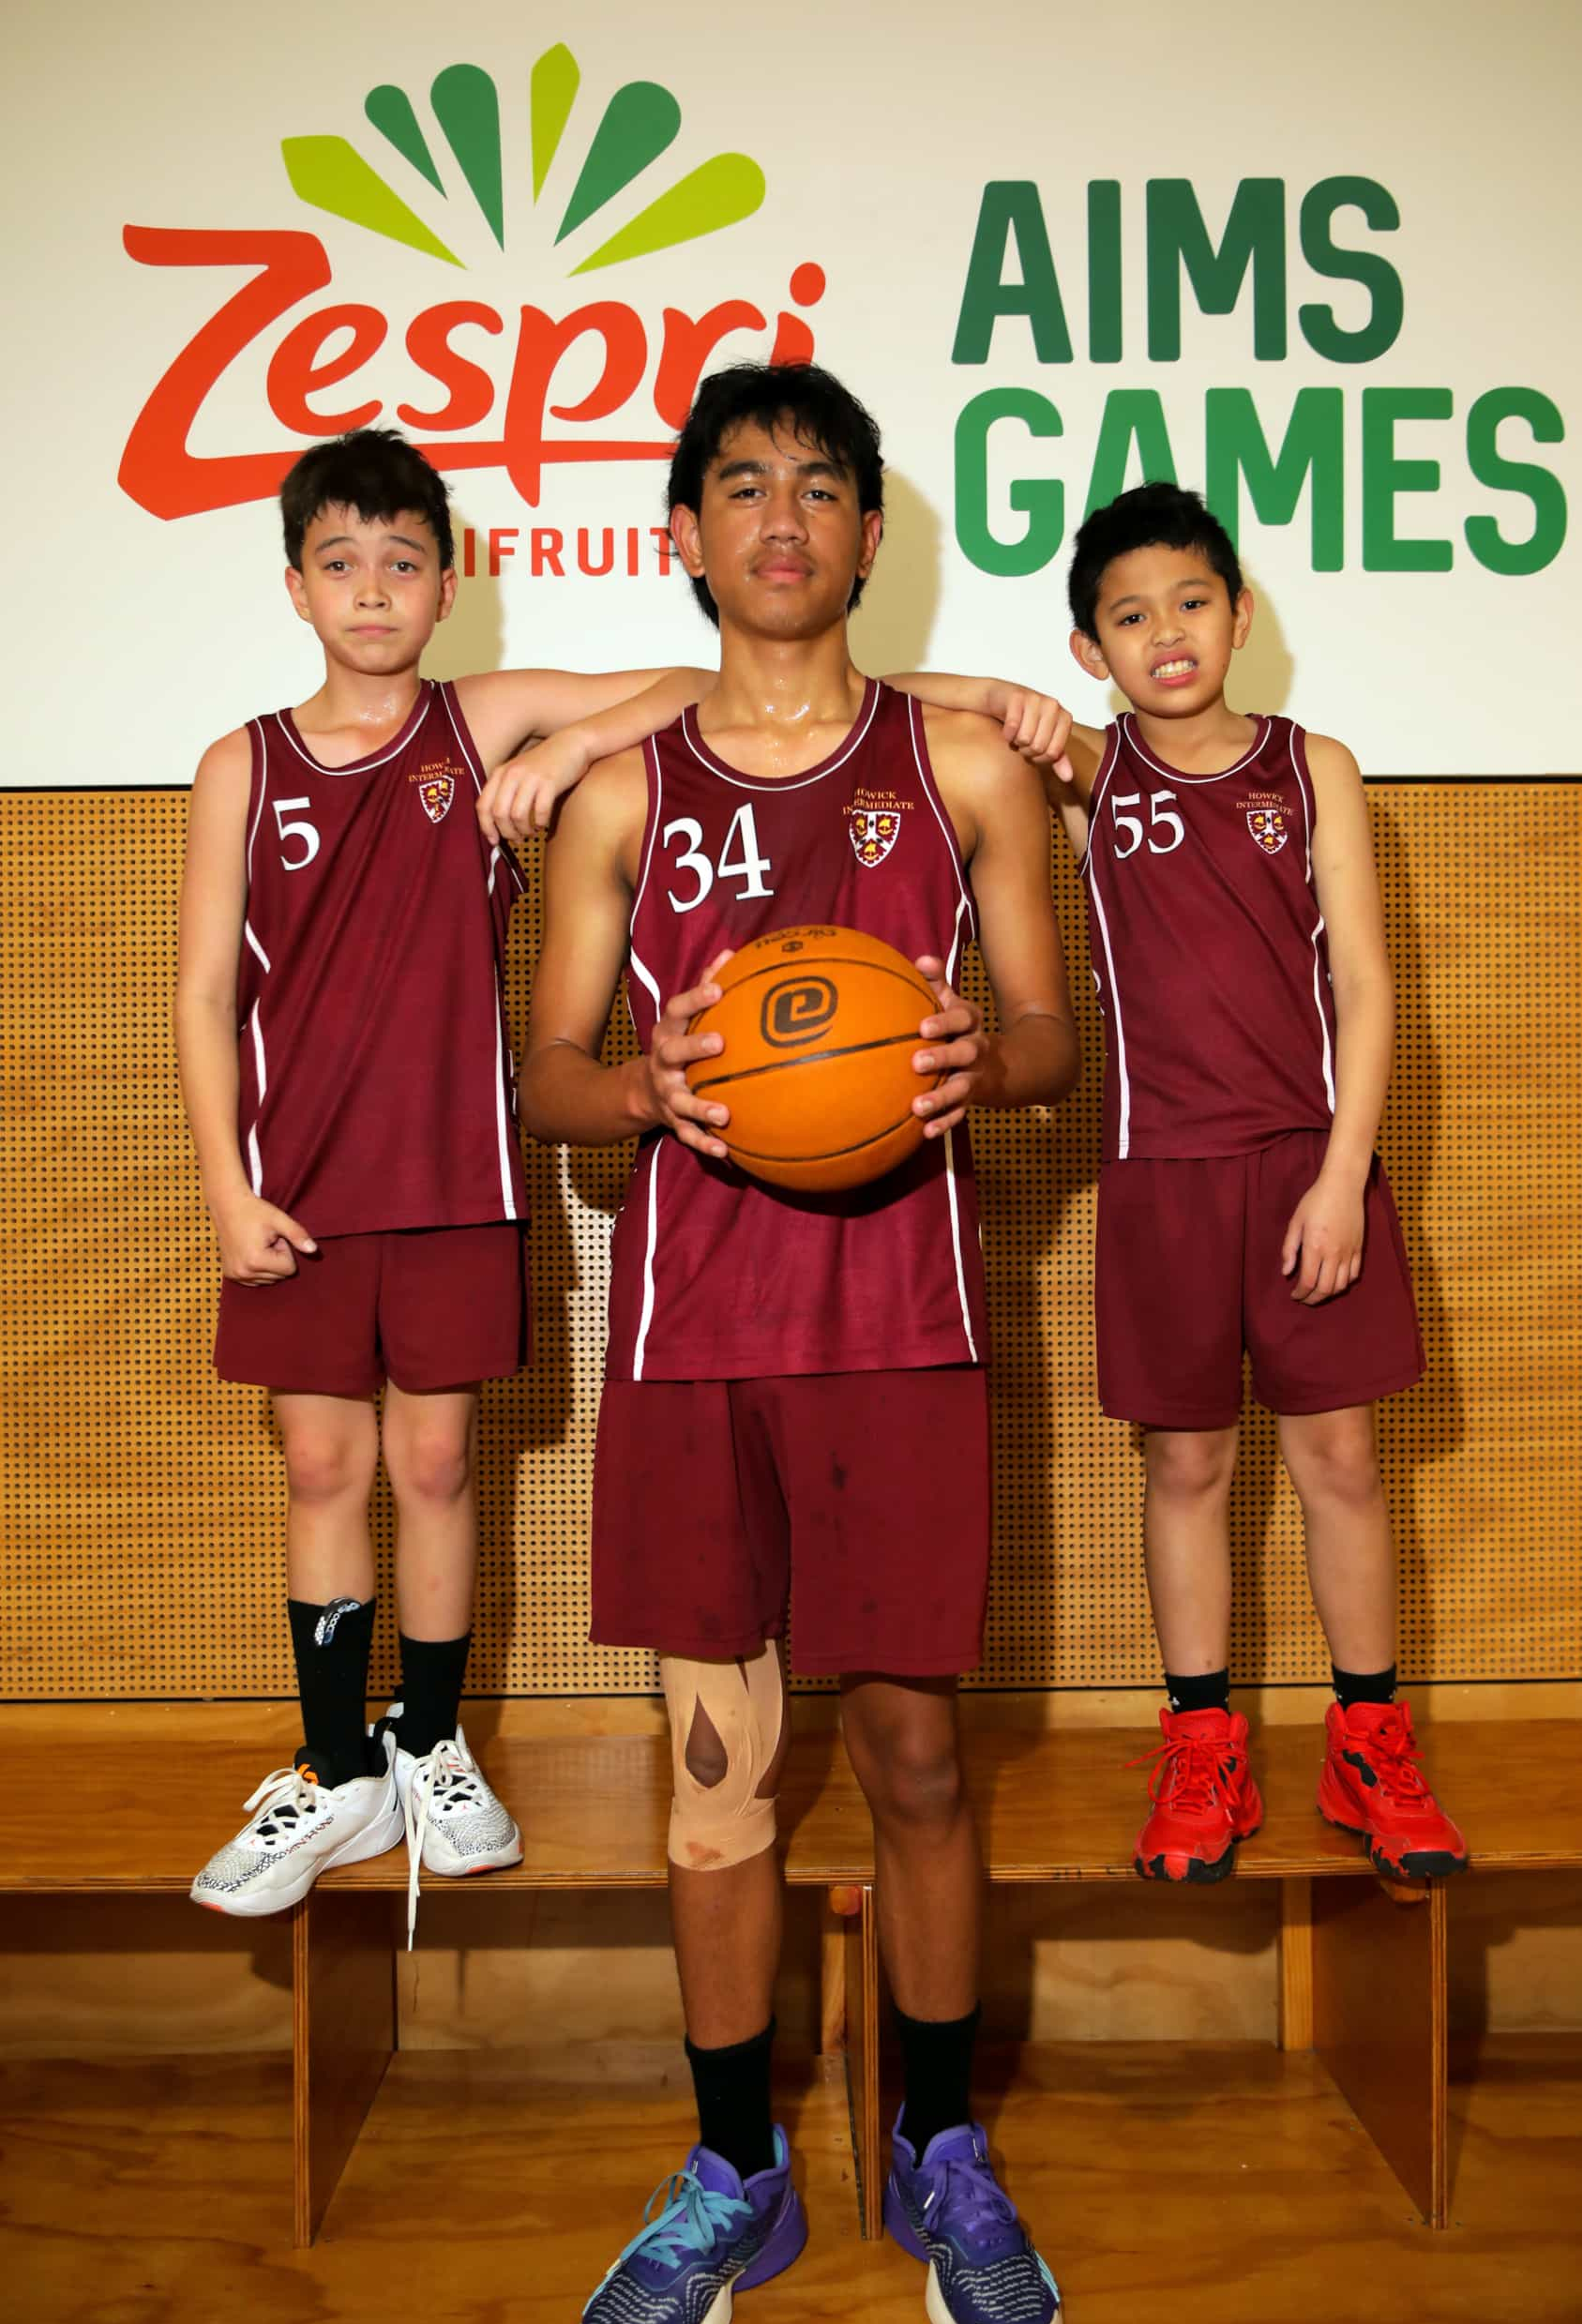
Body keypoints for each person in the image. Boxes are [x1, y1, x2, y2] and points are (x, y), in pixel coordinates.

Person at [177, 424, 1075, 1941]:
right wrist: (222, 1181)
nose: (375, 591)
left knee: (450, 1473)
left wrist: (974, 705)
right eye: (341, 565)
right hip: (414, 1220)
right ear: (293, 587)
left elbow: (728, 691)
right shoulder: (258, 765)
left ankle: (428, 1739)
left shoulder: (500, 725)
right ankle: (343, 1762)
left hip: (579, 1217)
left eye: (404, 563)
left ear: (447, 583)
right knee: (338, 1482)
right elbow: (243, 998)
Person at [519, 362, 1077, 2324]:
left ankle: (937, 2138)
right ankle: (734, 2163)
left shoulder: (961, 773)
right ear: (686, 535)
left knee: (921, 1758)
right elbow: (549, 1078)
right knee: (716, 1772)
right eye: (739, 486)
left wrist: (968, 1057)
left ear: (862, 536)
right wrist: (638, 1086)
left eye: (818, 487)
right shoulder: (616, 792)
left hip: (903, 1333)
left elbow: (1046, 1037)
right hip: (689, 1344)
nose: (779, 516)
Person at [1053, 481, 1469, 1888]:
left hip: (1307, 1170)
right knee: (1186, 1466)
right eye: (1125, 614)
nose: (1163, 633)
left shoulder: (1315, 767)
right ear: (1085, 650)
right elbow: (893, 689)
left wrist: (1346, 1176)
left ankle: (1368, 1744)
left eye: (1188, 601)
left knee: (1340, 1461)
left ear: (1239, 614)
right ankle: (1200, 1747)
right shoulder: (1082, 778)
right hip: (1157, 1179)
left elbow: (1364, 981)